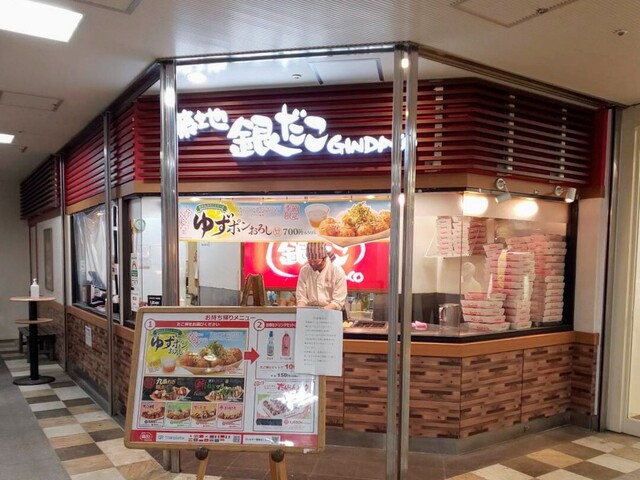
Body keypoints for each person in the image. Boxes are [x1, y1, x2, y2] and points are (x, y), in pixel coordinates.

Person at [296, 241, 347, 310]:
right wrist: (300, 309)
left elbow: (338, 301)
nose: (313, 264)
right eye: (310, 261)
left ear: (324, 259)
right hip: (310, 310)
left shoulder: (337, 271)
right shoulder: (304, 271)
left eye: (316, 262)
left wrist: (321, 311)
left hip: (331, 311)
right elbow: (302, 298)